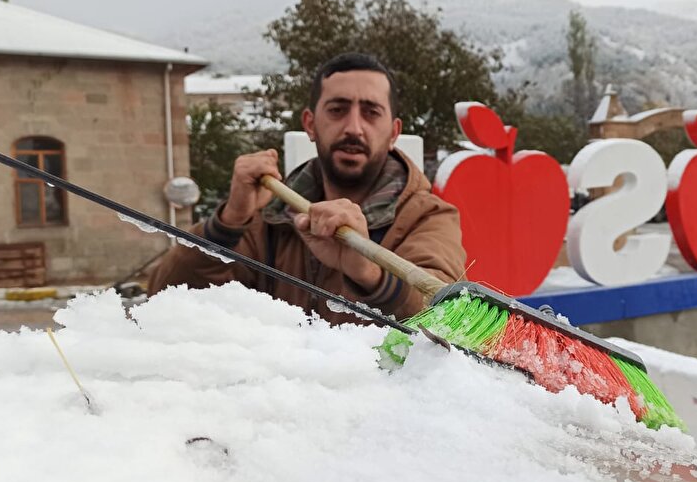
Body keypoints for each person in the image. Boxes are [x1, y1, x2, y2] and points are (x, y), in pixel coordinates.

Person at [149, 53, 466, 323]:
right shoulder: (268, 216)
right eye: (337, 110)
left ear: (394, 131)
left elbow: (447, 320)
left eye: (371, 112)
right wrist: (227, 222)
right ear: (311, 124)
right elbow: (166, 303)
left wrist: (368, 272)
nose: (354, 127)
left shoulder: (427, 216)